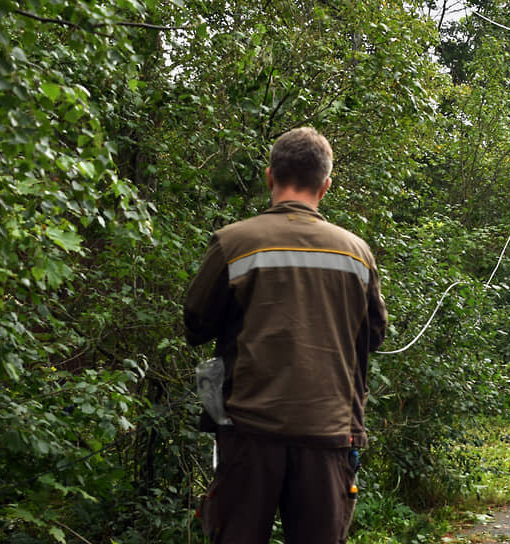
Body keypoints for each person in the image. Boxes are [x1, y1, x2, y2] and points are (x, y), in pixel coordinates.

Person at [184, 128, 387, 543]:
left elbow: (196, 323)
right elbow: (374, 335)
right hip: (329, 435)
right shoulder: (356, 253)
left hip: (247, 434)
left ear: (269, 176)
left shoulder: (233, 243)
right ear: (325, 185)